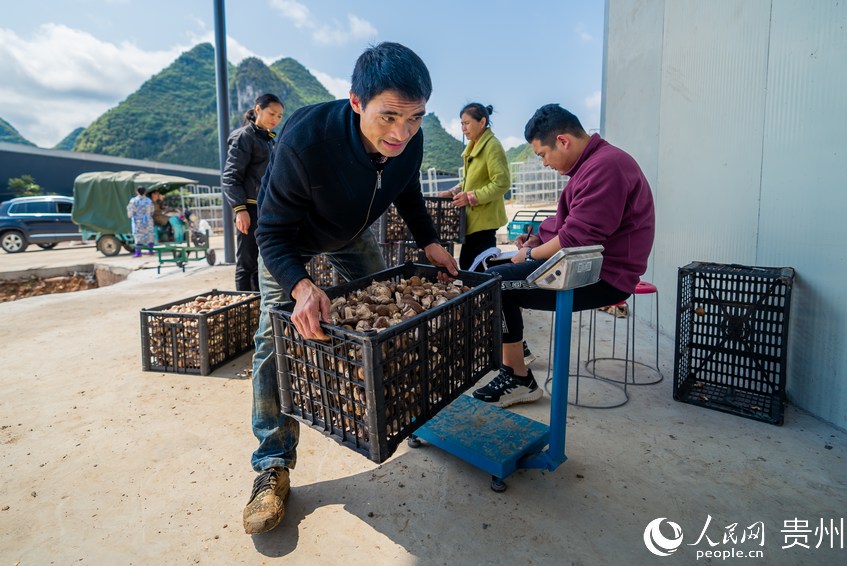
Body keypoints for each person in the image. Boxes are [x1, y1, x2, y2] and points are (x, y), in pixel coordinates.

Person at [244, 42, 458, 535]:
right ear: (356, 102)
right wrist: (300, 286)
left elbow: (406, 190)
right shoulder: (305, 140)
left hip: (350, 233)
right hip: (289, 240)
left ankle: (374, 403)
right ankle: (271, 464)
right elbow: (270, 232)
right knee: (272, 340)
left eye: (415, 118)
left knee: (383, 310)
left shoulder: (411, 140)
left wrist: (429, 242)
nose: (401, 133)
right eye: (388, 117)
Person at [472, 103, 656, 408]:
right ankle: (516, 352)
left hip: (603, 276)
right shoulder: (595, 164)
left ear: (563, 141)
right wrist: (536, 239)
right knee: (494, 276)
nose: (544, 163)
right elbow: (567, 226)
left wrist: (530, 253)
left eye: (543, 154)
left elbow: (576, 238)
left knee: (495, 284)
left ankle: (518, 377)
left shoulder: (606, 166)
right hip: (585, 264)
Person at [222, 94, 285, 291]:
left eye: (280, 116)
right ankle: (244, 307)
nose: (275, 119)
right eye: (271, 113)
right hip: (249, 208)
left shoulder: (268, 140)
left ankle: (258, 306)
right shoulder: (244, 136)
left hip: (266, 209)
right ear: (258, 109)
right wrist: (240, 209)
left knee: (263, 262)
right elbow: (230, 176)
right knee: (246, 263)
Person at [437, 103, 510, 271]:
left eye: (467, 123)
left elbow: (502, 183)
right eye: (461, 124)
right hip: (473, 222)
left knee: (476, 267)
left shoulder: (492, 146)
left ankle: (485, 297)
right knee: (469, 265)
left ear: (482, 122)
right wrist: (453, 191)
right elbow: (470, 181)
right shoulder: (475, 146)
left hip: (484, 222)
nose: (463, 128)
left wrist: (470, 197)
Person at [126, 186, 155, 256]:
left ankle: (138, 253)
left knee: (138, 236)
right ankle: (150, 251)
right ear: (145, 192)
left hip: (138, 221)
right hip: (148, 220)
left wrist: (131, 216)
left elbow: (130, 211)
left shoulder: (134, 201)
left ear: (137, 192)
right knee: (149, 235)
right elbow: (152, 210)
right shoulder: (149, 200)